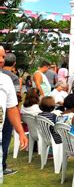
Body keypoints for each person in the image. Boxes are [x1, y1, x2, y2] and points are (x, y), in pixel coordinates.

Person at [0, 46, 28, 179]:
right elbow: (17, 97)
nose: (1, 60)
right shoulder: (13, 78)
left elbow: (11, 106)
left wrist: (20, 131)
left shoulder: (6, 80)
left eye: (3, 57)